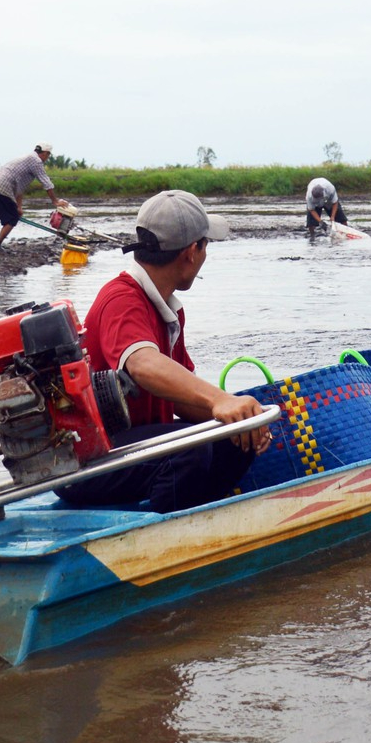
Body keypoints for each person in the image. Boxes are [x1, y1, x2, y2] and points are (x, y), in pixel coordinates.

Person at [58, 190, 271, 512]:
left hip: (127, 451)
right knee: (189, 450)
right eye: (206, 245)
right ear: (190, 252)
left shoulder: (167, 309)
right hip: (85, 465)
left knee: (231, 440)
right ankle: (168, 532)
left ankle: (206, 515)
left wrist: (243, 422)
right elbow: (143, 364)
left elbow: (181, 399)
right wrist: (220, 400)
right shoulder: (121, 298)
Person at [0, 144, 59, 251]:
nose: (47, 158)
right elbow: (46, 182)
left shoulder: (26, 158)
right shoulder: (36, 161)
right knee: (13, 218)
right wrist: (55, 201)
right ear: (45, 153)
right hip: (4, 186)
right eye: (48, 155)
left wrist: (19, 207)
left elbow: (19, 189)